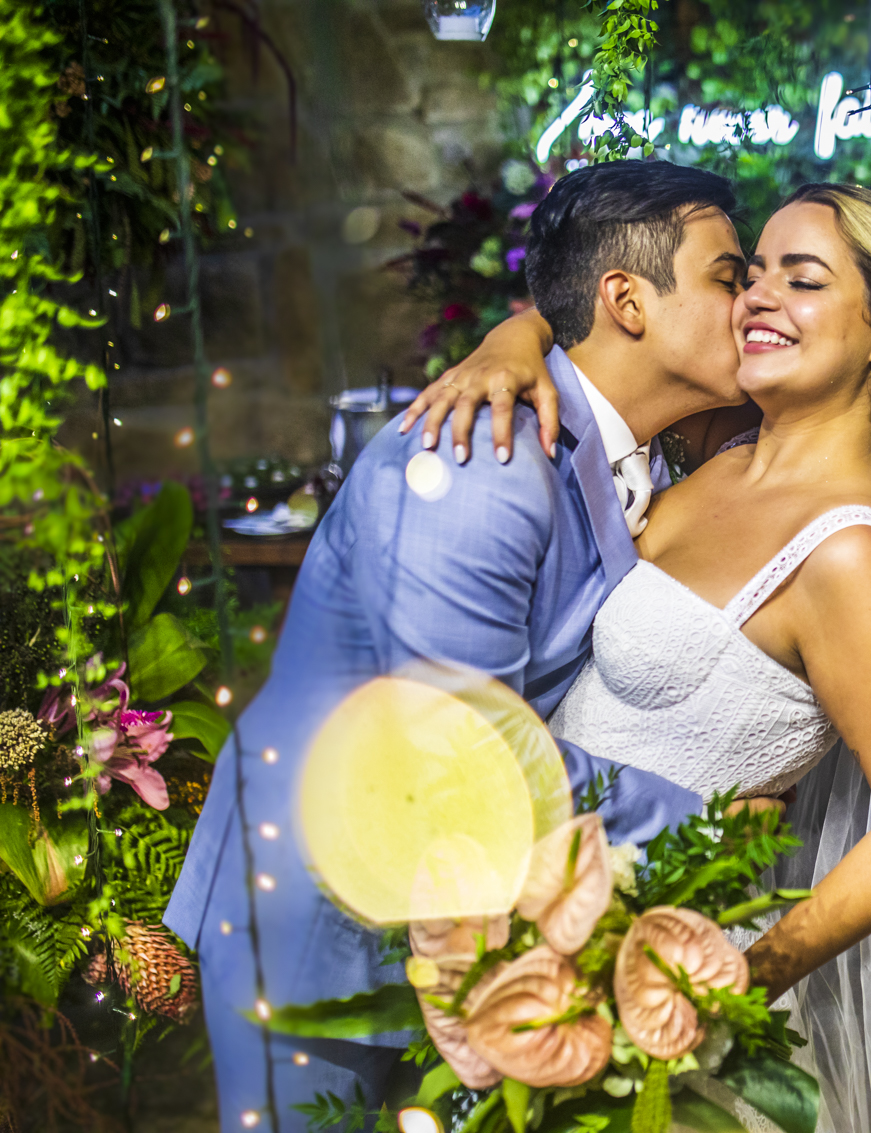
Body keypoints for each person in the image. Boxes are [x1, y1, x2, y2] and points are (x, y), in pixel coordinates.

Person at [164, 161, 762, 1131]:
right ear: (626, 300)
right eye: (729, 276)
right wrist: (708, 823)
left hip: (470, 911)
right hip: (323, 911)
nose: (753, 303)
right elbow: (460, 749)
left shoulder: (640, 445)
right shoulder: (478, 462)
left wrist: (517, 330)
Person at [402, 182, 871, 1133]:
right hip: (527, 923)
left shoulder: (852, 558)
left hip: (658, 986)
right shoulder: (719, 443)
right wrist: (508, 342)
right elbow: (599, 333)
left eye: (802, 280)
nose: (758, 297)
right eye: (751, 273)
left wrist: (743, 975)